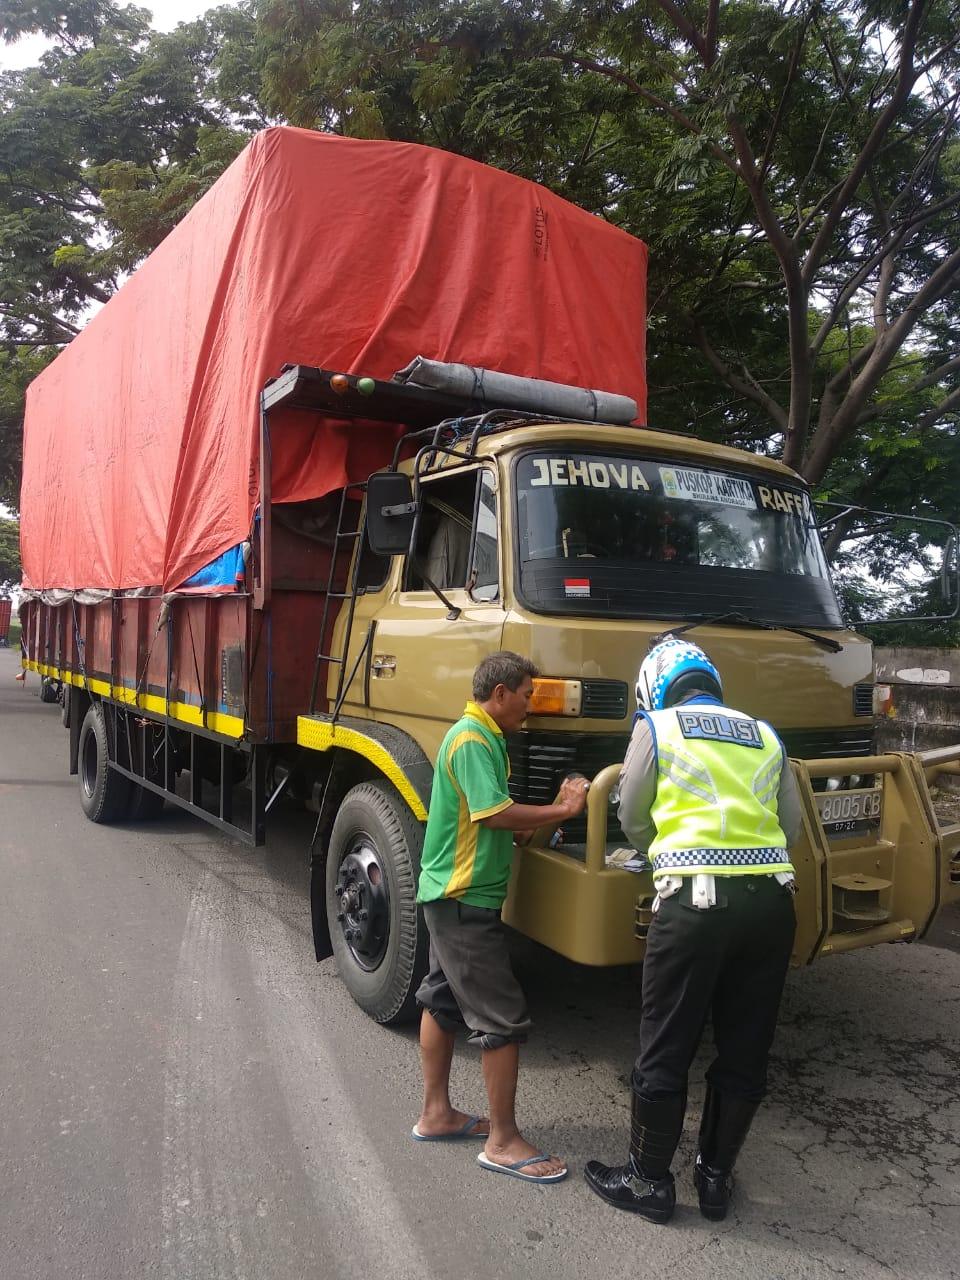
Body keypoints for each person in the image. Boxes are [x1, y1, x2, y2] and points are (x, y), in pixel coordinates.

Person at [584, 636, 802, 1223]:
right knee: (746, 1046)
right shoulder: (764, 732)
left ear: (653, 686)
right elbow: (791, 826)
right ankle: (713, 1179)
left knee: (667, 1043)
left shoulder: (656, 727)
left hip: (694, 904)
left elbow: (630, 810)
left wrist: (667, 858)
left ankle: (649, 1181)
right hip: (772, 904)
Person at [413, 650, 589, 1184]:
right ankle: (503, 1141)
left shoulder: (488, 740)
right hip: (464, 900)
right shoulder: (471, 739)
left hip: (457, 896)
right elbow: (493, 814)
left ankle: (436, 1114)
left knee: (442, 1001)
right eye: (527, 695)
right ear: (500, 694)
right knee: (502, 1019)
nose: (531, 706)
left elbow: (491, 823)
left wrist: (546, 818)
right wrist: (562, 809)